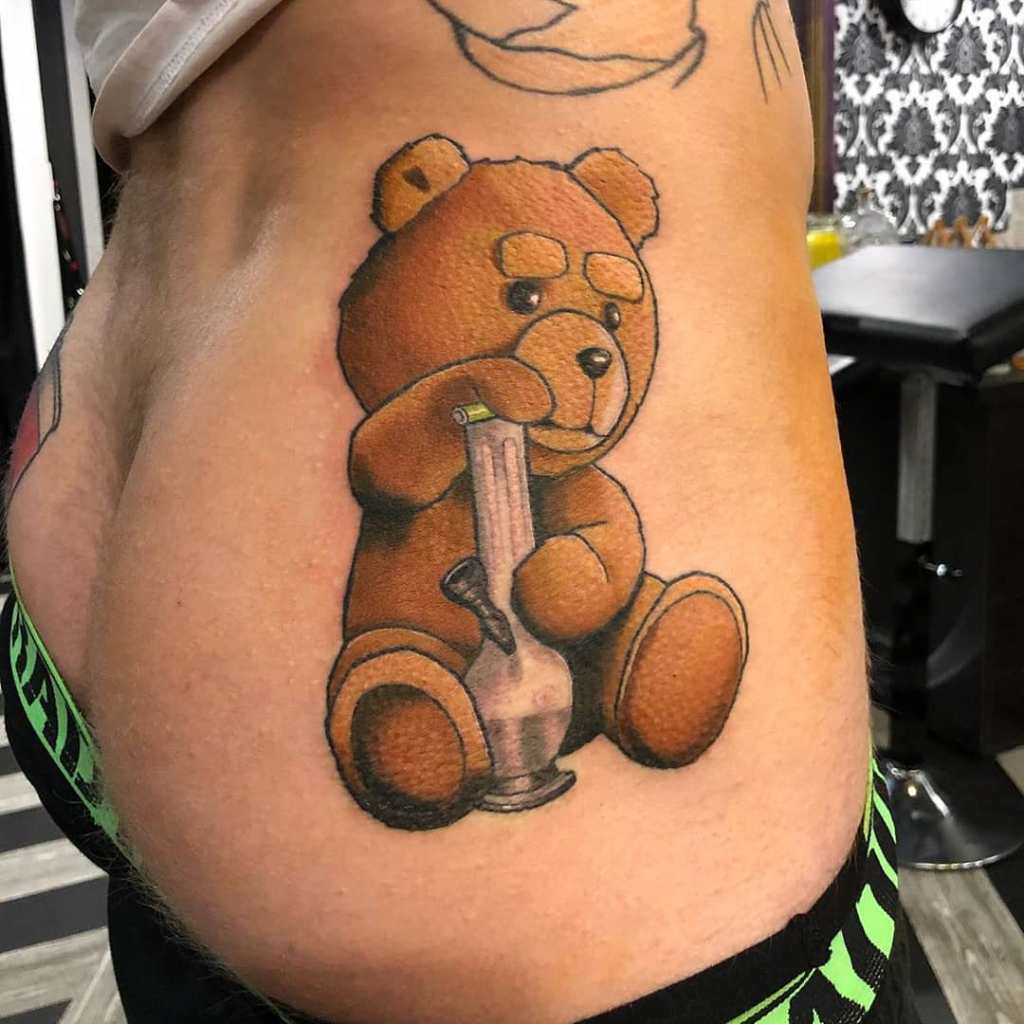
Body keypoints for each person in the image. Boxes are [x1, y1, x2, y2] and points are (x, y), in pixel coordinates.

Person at [1, 2, 918, 1021]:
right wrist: (464, 394)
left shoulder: (572, 473)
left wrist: (582, 579)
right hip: (550, 915)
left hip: (102, 560)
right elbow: (390, 468)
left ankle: (633, 662)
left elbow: (601, 533)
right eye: (527, 296)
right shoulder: (448, 397)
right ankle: (411, 707)